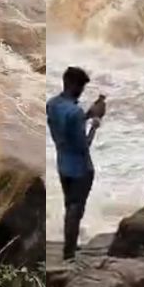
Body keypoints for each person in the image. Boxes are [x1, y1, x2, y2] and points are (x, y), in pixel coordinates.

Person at [46, 66, 106, 261]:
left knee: (69, 206)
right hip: (81, 169)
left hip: (63, 164)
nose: (81, 91)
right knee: (76, 210)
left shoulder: (52, 105)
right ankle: (69, 253)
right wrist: (95, 125)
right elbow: (84, 146)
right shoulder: (75, 112)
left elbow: (66, 128)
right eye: (80, 87)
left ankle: (70, 246)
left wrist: (88, 115)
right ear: (72, 84)